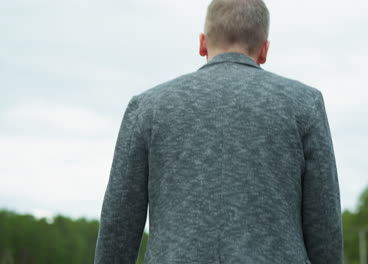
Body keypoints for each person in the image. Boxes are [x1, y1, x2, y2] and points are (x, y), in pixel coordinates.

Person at [94, 0, 343, 263]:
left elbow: (118, 227)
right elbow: (324, 226)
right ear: (264, 50)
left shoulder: (147, 108)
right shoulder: (305, 105)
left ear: (202, 43)